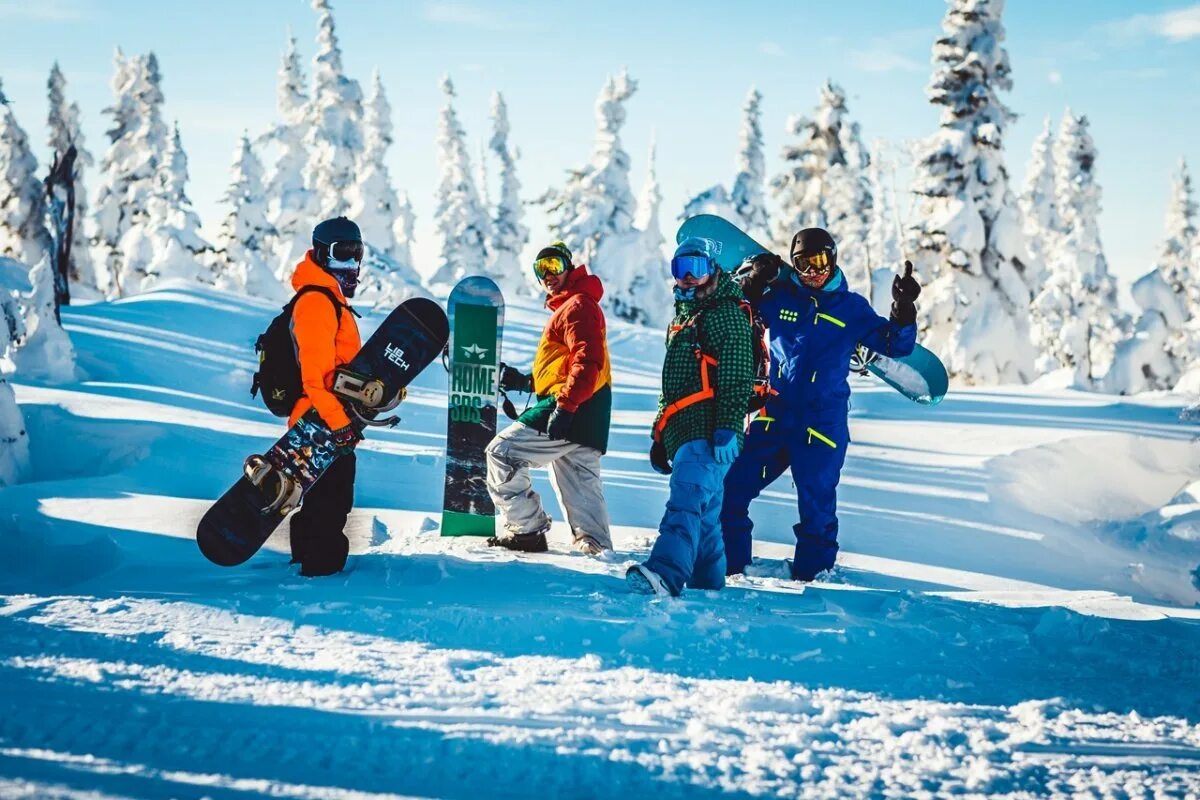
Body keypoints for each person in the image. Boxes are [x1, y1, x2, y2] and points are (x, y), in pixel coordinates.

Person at [720, 228, 921, 581]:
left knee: (816, 509)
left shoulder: (852, 308)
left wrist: (903, 310)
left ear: (833, 258)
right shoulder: (780, 297)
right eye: (803, 264)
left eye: (820, 261)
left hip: (821, 424)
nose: (813, 271)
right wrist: (752, 283)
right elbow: (738, 313)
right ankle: (730, 568)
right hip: (775, 417)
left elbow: (894, 345)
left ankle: (814, 580)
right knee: (731, 490)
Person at [626, 238, 754, 596]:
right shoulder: (685, 319)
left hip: (710, 429)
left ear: (713, 269)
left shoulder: (726, 313)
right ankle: (707, 582)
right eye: (680, 270)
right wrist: (659, 435)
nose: (687, 279)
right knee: (707, 512)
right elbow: (672, 386)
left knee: (685, 501)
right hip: (685, 430)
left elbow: (737, 374)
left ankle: (665, 573)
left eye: (695, 269)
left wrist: (728, 426)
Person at [485, 241, 614, 556]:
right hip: (591, 407)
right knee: (578, 477)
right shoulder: (576, 306)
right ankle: (596, 547)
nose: (548, 275)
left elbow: (588, 360)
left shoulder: (578, 305)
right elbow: (568, 367)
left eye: (554, 266)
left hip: (574, 404)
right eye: (540, 270)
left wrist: (566, 407)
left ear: (569, 268)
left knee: (501, 452)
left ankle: (526, 530)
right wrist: (524, 381)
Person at [287, 216, 366, 577]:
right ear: (321, 254)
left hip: (324, 419)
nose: (351, 265)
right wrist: (340, 426)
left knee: (322, 497)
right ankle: (321, 572)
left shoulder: (330, 299)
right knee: (332, 500)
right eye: (341, 254)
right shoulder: (317, 302)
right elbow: (314, 378)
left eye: (357, 255)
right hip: (318, 422)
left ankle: (307, 559)